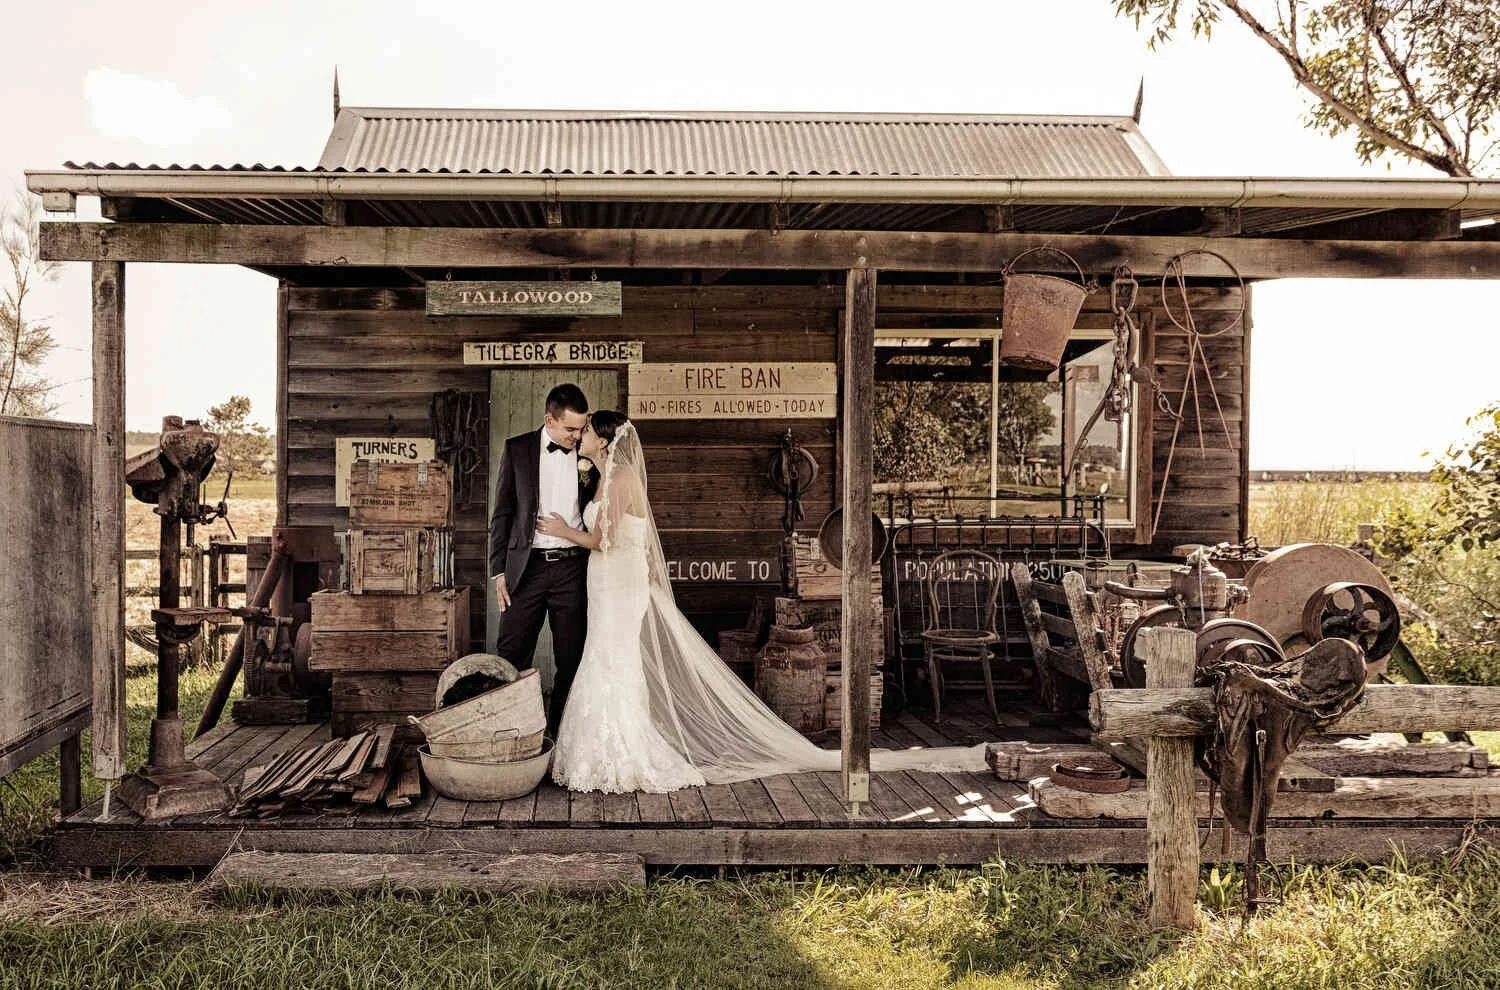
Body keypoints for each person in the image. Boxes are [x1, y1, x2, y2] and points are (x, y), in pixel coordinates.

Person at [536, 410, 986, 794]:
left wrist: (561, 532)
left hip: (616, 582)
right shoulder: (605, 476)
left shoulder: (619, 479)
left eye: (589, 431)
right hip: (610, 582)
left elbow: (602, 540)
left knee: (611, 660)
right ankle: (611, 749)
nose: (582, 438)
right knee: (609, 658)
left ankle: (619, 755)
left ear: (606, 439)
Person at [489, 383, 597, 734]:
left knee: (572, 659)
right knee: (511, 654)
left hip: (574, 570)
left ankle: (561, 739)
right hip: (526, 570)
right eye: (570, 429)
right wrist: (497, 572)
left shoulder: (589, 457)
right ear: (549, 420)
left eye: (582, 429)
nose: (577, 437)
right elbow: (502, 515)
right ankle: (509, 734)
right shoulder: (517, 449)